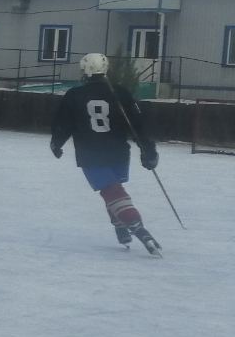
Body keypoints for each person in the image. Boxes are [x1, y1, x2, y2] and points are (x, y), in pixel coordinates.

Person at [49, 52, 161, 256]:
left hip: (91, 154)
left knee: (112, 191)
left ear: (85, 71)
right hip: (118, 153)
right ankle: (120, 226)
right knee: (112, 189)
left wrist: (56, 143)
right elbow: (137, 124)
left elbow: (63, 123)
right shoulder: (121, 93)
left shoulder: (75, 95)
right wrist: (148, 150)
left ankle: (138, 229)